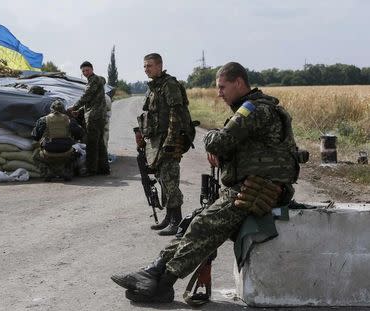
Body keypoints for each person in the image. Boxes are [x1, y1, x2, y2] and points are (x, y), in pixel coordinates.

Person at [111, 62, 300, 303]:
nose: (219, 93)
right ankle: (153, 272)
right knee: (192, 224)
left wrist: (212, 139)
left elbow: (217, 142)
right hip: (250, 186)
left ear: (239, 83)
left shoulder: (254, 109)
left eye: (222, 87)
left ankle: (163, 284)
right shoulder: (253, 108)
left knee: (203, 225)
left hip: (260, 190)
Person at [136, 53, 195, 236]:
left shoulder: (169, 85)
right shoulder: (153, 87)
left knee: (170, 179)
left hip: (169, 140)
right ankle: (169, 218)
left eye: (150, 66)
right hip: (156, 140)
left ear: (160, 65)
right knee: (162, 178)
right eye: (145, 66)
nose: (147, 69)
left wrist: (171, 140)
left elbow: (175, 114)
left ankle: (177, 221)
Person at [67, 61, 110, 176]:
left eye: (87, 70)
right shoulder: (99, 80)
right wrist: (79, 110)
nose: (85, 72)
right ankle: (104, 168)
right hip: (99, 115)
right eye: (83, 71)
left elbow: (86, 96)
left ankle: (92, 170)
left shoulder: (93, 81)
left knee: (91, 143)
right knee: (100, 143)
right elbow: (92, 101)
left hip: (93, 116)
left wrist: (74, 107)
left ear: (92, 69)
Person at [32, 100, 76, 181]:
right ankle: (66, 171)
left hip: (48, 151)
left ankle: (47, 171)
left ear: (51, 109)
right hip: (66, 151)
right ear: (63, 110)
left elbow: (35, 136)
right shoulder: (69, 119)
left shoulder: (43, 120)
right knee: (77, 152)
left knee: (35, 155)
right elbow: (79, 134)